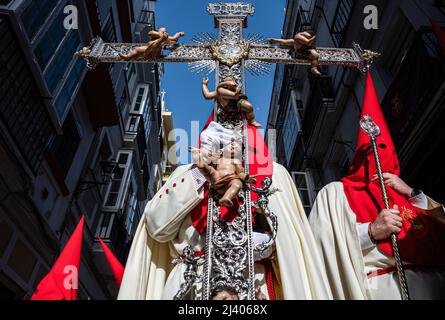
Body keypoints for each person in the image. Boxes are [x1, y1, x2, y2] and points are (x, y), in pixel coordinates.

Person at [117, 114, 333, 300]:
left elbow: (290, 245)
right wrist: (200, 176)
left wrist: (260, 244)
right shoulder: (187, 173)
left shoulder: (274, 174)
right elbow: (156, 226)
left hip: (254, 283)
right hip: (191, 283)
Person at [308, 72, 445, 299]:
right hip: (384, 289)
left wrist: (412, 193)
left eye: (388, 153)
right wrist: (370, 231)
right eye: (372, 154)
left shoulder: (405, 194)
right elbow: (320, 245)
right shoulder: (336, 193)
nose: (381, 161)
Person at [120, 27, 184, 61]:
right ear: (158, 30)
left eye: (165, 31)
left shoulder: (166, 37)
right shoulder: (155, 34)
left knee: (158, 45)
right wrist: (160, 35)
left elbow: (174, 38)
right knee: (137, 49)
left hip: (157, 52)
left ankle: (159, 43)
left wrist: (179, 33)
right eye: (162, 31)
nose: (164, 32)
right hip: (149, 49)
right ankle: (128, 57)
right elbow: (150, 33)